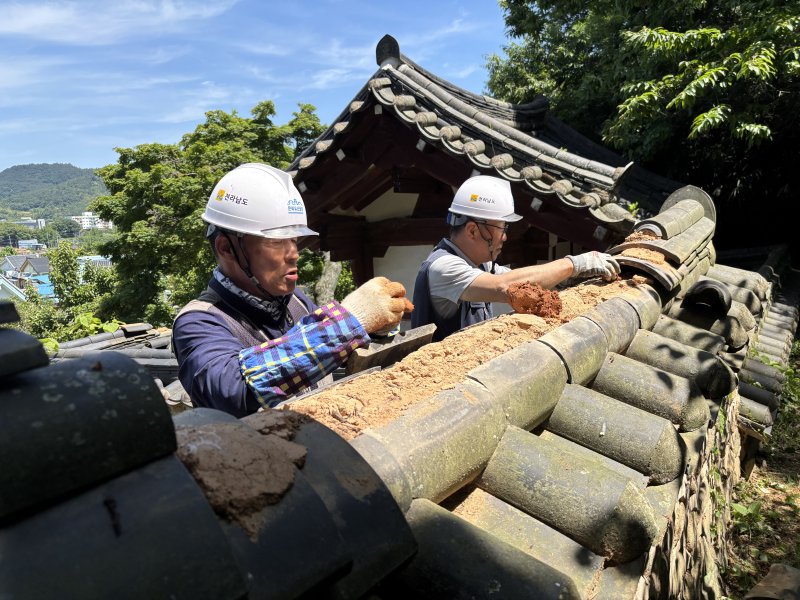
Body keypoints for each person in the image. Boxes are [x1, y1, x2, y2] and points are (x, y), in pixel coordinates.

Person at [172, 163, 413, 418]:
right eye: (276, 241)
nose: (294, 254)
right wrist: (349, 322)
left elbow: (326, 350)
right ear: (226, 248)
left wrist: (373, 327)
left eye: (294, 240)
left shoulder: (294, 301)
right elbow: (232, 389)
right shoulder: (199, 322)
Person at [411, 175, 620, 341]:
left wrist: (572, 277)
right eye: (501, 228)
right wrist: (575, 264)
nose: (504, 236)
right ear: (473, 231)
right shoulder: (443, 267)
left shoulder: (481, 265)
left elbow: (522, 281)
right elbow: (506, 287)